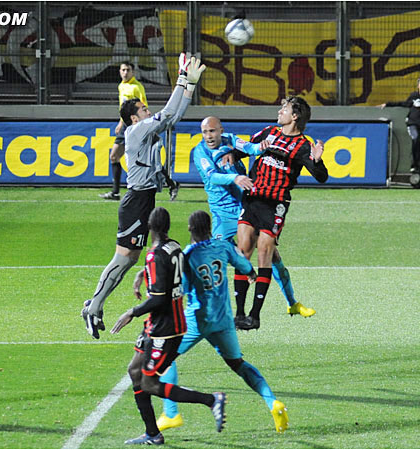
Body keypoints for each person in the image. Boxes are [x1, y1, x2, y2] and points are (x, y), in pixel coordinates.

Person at [81, 53, 206, 339]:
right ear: (134, 118)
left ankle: (96, 304)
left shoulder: (143, 130)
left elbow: (173, 116)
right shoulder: (137, 130)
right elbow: (167, 115)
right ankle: (93, 306)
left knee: (129, 260)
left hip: (143, 199)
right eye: (143, 108)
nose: (148, 109)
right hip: (136, 201)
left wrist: (189, 87)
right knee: (123, 259)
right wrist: (183, 81)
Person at [155, 210, 289, 433]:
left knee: (165, 358)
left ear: (190, 229)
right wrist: (251, 274)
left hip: (197, 320)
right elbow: (245, 267)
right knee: (239, 365)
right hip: (224, 320)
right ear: (209, 228)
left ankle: (171, 413)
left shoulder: (188, 255)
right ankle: (273, 402)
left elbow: (183, 289)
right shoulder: (223, 246)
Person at [110, 207, 226, 445]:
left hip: (166, 328)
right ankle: (152, 433)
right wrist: (145, 274)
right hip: (159, 324)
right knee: (135, 371)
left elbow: (160, 298)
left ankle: (211, 400)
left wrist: (131, 312)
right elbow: (174, 274)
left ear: (149, 227)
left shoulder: (155, 255)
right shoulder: (173, 246)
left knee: (149, 383)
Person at [193, 116, 316, 321]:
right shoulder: (200, 152)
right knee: (217, 260)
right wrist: (236, 177)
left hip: (245, 206)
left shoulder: (230, 139)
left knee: (273, 258)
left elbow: (250, 148)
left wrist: (262, 146)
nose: (208, 136)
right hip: (223, 214)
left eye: (212, 131)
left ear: (221, 130)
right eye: (205, 132)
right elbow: (212, 176)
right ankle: (211, 307)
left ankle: (292, 303)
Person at [235, 96, 329, 331]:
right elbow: (247, 149)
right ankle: (238, 313)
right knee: (243, 250)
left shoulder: (303, 145)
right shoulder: (268, 132)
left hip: (275, 204)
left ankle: (254, 316)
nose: (279, 112)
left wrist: (317, 161)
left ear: (295, 116)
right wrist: (230, 156)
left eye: (284, 109)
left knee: (264, 252)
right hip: (253, 198)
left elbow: (321, 176)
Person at [100, 61, 180, 202]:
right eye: (123, 70)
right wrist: (121, 122)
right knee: (114, 156)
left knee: (149, 160)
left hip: (138, 125)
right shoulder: (121, 86)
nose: (125, 72)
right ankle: (115, 191)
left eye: (128, 70)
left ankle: (171, 183)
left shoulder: (137, 87)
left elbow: (142, 107)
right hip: (127, 124)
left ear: (133, 72)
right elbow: (123, 109)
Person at [378, 75, 420, 175]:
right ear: (418, 85)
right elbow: (404, 103)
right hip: (413, 123)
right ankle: (414, 165)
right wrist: (388, 104)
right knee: (416, 138)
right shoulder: (414, 96)